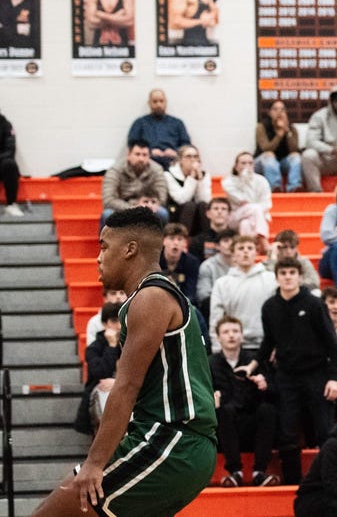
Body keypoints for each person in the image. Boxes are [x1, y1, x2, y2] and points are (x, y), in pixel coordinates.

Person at [32, 207, 216, 517]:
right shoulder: (157, 296)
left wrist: (94, 462)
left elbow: (126, 386)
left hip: (172, 442)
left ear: (130, 249)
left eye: (104, 246)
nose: (98, 257)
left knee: (55, 511)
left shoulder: (151, 297)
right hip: (180, 446)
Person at [257, 257, 337, 483]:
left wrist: (333, 378)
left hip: (317, 373)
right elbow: (268, 343)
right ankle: (293, 482)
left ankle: (329, 479)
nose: (287, 277)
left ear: (299, 276)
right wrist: (254, 364)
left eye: (292, 273)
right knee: (286, 432)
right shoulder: (269, 307)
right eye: (283, 273)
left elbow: (333, 346)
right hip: (286, 375)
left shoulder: (315, 304)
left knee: (325, 431)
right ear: (276, 277)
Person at [209, 315, 279, 487]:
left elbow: (275, 392)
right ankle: (235, 472)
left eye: (235, 331)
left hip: (252, 424)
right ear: (218, 337)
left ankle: (259, 472)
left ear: (242, 335)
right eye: (226, 332)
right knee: (224, 411)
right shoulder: (210, 363)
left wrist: (264, 385)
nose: (231, 335)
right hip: (225, 426)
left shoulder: (255, 361)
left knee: (268, 410)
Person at [208, 235, 277, 351]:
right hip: (233, 347)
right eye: (241, 248)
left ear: (256, 252)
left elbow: (278, 315)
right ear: (233, 254)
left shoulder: (271, 279)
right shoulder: (222, 284)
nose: (245, 251)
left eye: (250, 248)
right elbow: (216, 319)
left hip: (265, 346)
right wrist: (218, 348)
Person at [73, 302, 122, 436]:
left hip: (126, 390)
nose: (119, 326)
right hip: (101, 395)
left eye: (122, 320)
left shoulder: (133, 343)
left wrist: (118, 383)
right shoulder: (94, 348)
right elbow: (101, 374)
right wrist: (112, 346)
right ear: (105, 324)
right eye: (114, 321)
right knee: (104, 394)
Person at [101, 140, 169, 227]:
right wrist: (135, 208)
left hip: (148, 207)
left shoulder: (157, 169)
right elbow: (108, 200)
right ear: (129, 155)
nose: (141, 159)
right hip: (122, 208)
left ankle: (159, 240)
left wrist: (149, 205)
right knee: (107, 214)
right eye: (137, 154)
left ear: (149, 156)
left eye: (144, 155)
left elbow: (162, 197)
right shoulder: (115, 170)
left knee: (162, 213)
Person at [127, 89, 190, 170]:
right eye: (155, 101)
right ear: (149, 103)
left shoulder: (177, 123)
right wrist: (149, 151)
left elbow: (186, 145)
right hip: (148, 162)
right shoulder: (140, 123)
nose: (158, 104)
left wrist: (176, 152)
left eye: (161, 101)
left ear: (166, 102)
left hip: (173, 162)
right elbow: (132, 144)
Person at [222, 151, 273, 252]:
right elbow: (243, 200)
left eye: (250, 163)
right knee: (254, 208)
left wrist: (255, 214)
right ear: (236, 166)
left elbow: (267, 204)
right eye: (243, 163)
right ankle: (263, 240)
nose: (247, 166)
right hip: (235, 216)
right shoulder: (227, 182)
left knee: (245, 223)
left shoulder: (262, 181)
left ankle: (250, 248)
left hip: (257, 217)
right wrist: (244, 179)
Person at [255, 99, 303, 193]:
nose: (279, 112)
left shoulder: (292, 129)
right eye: (275, 109)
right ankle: (274, 187)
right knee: (269, 154)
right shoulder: (261, 127)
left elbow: (294, 149)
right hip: (262, 161)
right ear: (269, 112)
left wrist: (287, 131)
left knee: (296, 157)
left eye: (282, 110)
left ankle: (294, 187)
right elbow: (266, 148)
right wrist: (279, 135)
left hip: (282, 162)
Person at [165, 144, 211, 236]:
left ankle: (207, 240)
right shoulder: (169, 174)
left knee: (204, 206)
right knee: (190, 205)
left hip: (197, 213)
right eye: (188, 156)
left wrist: (200, 180)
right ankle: (182, 238)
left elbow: (205, 200)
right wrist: (192, 178)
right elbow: (181, 199)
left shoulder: (204, 175)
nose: (193, 159)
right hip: (177, 212)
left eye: (195, 156)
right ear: (180, 160)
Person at [160, 223, 201, 307]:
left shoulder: (192, 262)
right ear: (163, 241)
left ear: (185, 243)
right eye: (171, 238)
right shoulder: (155, 260)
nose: (176, 243)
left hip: (183, 305)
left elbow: (191, 293)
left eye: (179, 239)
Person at [196, 228, 235, 316]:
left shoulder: (243, 265)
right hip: (215, 309)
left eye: (233, 241)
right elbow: (203, 295)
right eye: (226, 241)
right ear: (217, 246)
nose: (230, 244)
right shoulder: (207, 266)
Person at [1, 108, 22, 216]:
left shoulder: (5, 124)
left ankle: (11, 204)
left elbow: (10, 149)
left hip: (1, 163)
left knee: (10, 164)